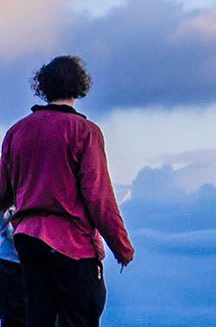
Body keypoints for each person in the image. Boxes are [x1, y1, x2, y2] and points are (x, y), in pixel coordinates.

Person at [0, 56, 134, 327]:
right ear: (79, 87)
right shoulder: (85, 132)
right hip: (72, 244)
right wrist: (122, 246)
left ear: (43, 87)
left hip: (28, 242)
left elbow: (3, 191)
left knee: (38, 318)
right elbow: (98, 196)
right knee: (81, 315)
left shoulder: (17, 132)